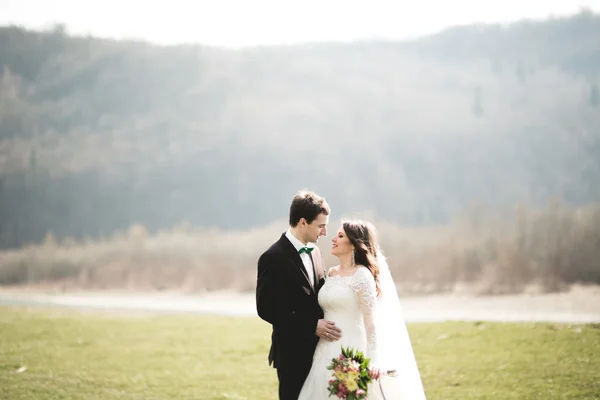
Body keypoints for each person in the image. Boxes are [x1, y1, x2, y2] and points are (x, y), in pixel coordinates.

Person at [298, 220, 427, 400]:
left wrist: (372, 359)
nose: (333, 239)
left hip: (350, 352)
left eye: (340, 236)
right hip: (323, 352)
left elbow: (370, 320)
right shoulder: (331, 273)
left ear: (354, 244)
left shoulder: (362, 275)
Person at [256, 190, 343, 400]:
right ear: (303, 222)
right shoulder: (272, 257)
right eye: (321, 225)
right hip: (291, 353)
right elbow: (266, 309)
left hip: (322, 352)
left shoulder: (315, 252)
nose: (324, 232)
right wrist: (311, 325)